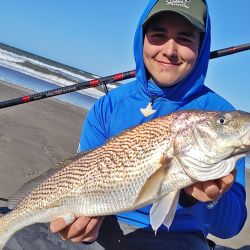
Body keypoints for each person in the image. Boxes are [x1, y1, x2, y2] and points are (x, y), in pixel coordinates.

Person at [50, 0, 247, 249]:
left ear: (202, 45)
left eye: (185, 38)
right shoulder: (108, 106)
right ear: (141, 39)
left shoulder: (222, 115)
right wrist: (80, 224)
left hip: (177, 238)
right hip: (106, 223)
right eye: (158, 35)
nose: (170, 50)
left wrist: (208, 200)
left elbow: (230, 226)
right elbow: (78, 175)